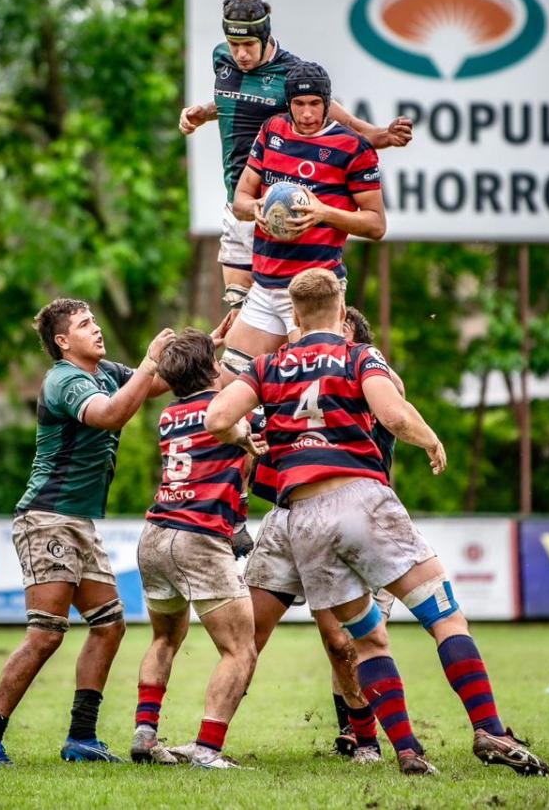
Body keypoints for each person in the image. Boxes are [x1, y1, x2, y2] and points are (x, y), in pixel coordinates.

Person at [207, 269, 549, 777]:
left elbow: (217, 418)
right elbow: (392, 414)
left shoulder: (267, 366)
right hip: (361, 499)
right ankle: (490, 731)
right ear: (343, 311)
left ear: (296, 317)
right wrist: (430, 438)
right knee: (444, 616)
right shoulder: (359, 355)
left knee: (366, 641)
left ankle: (409, 751)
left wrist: (244, 439)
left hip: (302, 517)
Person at [0, 300, 174, 766]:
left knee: (109, 625)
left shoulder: (107, 371)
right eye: (85, 325)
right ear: (63, 342)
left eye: (95, 321)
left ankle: (81, 738)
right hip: (47, 519)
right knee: (45, 635)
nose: (96, 329)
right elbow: (111, 415)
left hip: (77, 522)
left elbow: (155, 384)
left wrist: (217, 346)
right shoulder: (64, 379)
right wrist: (150, 360)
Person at [178, 0, 410, 312]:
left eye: (248, 45)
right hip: (240, 203)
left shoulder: (291, 72)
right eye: (235, 46)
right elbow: (235, 98)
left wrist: (376, 134)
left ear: (266, 36)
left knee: (287, 314)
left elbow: (326, 110)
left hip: (277, 207)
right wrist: (203, 112)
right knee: (236, 309)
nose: (241, 54)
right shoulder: (222, 59)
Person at [245, 306, 405, 766]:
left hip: (358, 515)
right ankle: (208, 739)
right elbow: (244, 421)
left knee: (346, 643)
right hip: (290, 515)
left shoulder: (368, 374)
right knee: (245, 635)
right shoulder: (289, 379)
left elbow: (397, 393)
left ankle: (360, 735)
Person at [130, 328, 259, 769]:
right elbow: (253, 435)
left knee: (165, 637)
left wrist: (209, 344)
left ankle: (145, 734)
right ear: (212, 369)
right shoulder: (221, 412)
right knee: (241, 648)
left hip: (154, 537)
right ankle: (207, 749)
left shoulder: (168, 415)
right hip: (198, 538)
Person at [220, 62, 386, 380]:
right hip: (266, 284)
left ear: (327, 104)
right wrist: (257, 208)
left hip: (314, 288)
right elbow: (240, 201)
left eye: (314, 104)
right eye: (299, 104)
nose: (307, 114)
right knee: (229, 382)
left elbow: (376, 225)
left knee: (313, 385)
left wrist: (324, 213)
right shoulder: (273, 131)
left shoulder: (354, 148)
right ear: (289, 104)